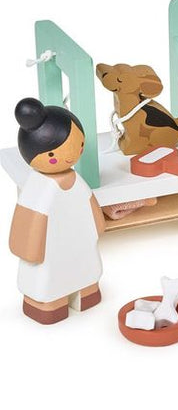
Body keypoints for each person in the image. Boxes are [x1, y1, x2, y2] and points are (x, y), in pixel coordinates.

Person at [9, 98, 105, 324]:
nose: (71, 155)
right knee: (49, 283)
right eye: (53, 154)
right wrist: (29, 251)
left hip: (81, 247)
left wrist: (98, 228)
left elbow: (92, 208)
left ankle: (86, 292)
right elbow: (27, 226)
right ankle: (49, 305)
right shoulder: (39, 188)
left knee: (87, 270)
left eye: (78, 146)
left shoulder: (77, 181)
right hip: (50, 256)